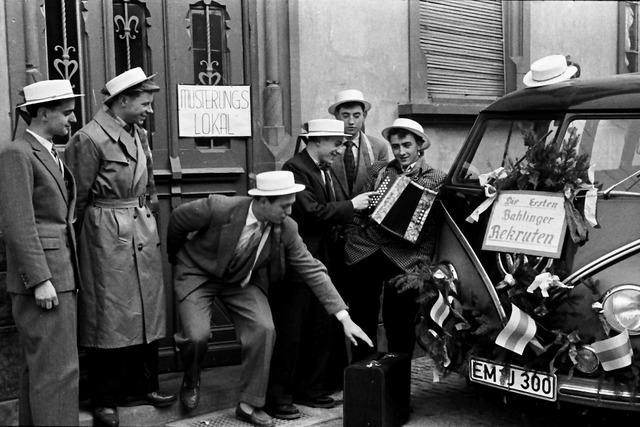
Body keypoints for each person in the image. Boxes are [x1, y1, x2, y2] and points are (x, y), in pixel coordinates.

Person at [167, 170, 372, 427]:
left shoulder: (286, 227)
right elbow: (177, 221)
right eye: (284, 206)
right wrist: (176, 258)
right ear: (263, 201)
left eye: (291, 205)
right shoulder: (218, 207)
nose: (289, 211)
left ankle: (248, 404)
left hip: (240, 280)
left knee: (264, 329)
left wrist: (344, 317)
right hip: (199, 273)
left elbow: (312, 269)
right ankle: (192, 375)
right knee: (197, 336)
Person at [64, 67, 174, 427]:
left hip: (140, 228)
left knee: (146, 310)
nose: (149, 110)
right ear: (121, 101)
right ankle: (104, 398)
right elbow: (76, 201)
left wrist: (151, 213)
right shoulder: (89, 138)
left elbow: (150, 184)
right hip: (105, 235)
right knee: (109, 316)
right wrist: (79, 246)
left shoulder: (137, 132)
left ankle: (143, 386)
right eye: (144, 103)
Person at [267, 120, 374, 419]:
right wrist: (352, 205)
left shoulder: (319, 168)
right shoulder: (295, 168)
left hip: (322, 261)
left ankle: (311, 390)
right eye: (336, 144)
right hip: (299, 266)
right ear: (317, 141)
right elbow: (312, 214)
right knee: (291, 332)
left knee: (318, 328)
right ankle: (279, 397)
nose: (340, 150)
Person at [0, 79, 82, 426]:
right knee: (58, 372)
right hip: (45, 280)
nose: (72, 119)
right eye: (66, 112)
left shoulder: (46, 150)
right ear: (43, 113)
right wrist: (40, 280)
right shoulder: (17, 153)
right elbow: (18, 223)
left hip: (59, 274)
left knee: (44, 369)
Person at [344, 118, 447, 362]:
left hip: (404, 256)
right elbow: (359, 208)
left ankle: (396, 384)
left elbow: (434, 227)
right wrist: (352, 235)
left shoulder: (435, 179)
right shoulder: (379, 171)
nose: (401, 152)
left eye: (407, 145)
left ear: (420, 145)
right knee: (361, 315)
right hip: (366, 249)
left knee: (398, 321)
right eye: (396, 146)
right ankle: (363, 374)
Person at [329, 89, 389, 198]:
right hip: (334, 212)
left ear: (364, 115)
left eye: (356, 116)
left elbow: (382, 186)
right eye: (345, 116)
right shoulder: (326, 147)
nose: (351, 122)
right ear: (336, 116)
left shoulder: (379, 148)